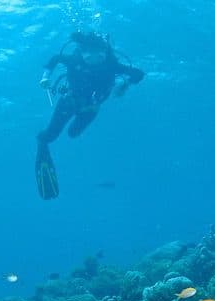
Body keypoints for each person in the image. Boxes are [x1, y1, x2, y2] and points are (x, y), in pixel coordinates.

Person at [35, 31, 144, 199]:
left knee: (73, 134)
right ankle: (42, 149)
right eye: (89, 53)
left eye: (99, 53)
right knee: (50, 136)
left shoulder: (111, 64)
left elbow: (138, 74)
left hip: (91, 108)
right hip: (69, 102)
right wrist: (45, 77)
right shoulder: (75, 60)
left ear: (105, 51)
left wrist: (125, 84)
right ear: (82, 51)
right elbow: (56, 58)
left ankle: (45, 143)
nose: (94, 58)